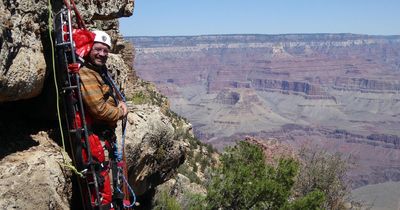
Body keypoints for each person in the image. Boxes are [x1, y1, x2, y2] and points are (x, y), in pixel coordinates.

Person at [78, 30, 128, 208]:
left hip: (105, 137)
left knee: (112, 183)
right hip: (96, 139)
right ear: (89, 49)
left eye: (106, 51)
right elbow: (99, 110)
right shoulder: (86, 73)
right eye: (98, 49)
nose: (102, 54)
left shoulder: (99, 71)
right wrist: (121, 112)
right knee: (102, 184)